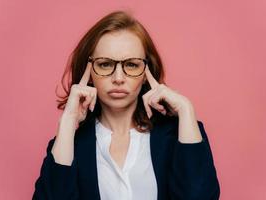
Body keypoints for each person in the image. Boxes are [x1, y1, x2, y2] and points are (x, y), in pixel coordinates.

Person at [32, 10, 220, 200]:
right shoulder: (70, 146)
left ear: (147, 71)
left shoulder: (179, 135)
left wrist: (186, 110)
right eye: (105, 64)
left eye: (131, 64)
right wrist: (67, 123)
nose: (118, 78)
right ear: (88, 74)